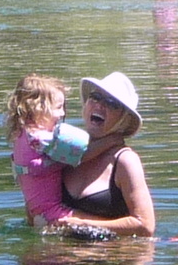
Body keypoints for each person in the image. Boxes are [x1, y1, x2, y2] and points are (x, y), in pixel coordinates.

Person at [58, 72, 156, 238]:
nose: (99, 105)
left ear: (124, 118)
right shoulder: (65, 152)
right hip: (65, 258)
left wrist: (82, 224)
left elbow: (145, 226)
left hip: (114, 259)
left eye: (111, 103)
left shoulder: (125, 160)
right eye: (95, 97)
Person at [4, 74, 102, 234]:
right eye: (58, 107)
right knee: (105, 227)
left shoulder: (20, 135)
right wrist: (111, 143)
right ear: (37, 107)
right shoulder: (40, 139)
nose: (62, 113)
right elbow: (84, 154)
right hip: (53, 214)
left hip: (37, 214)